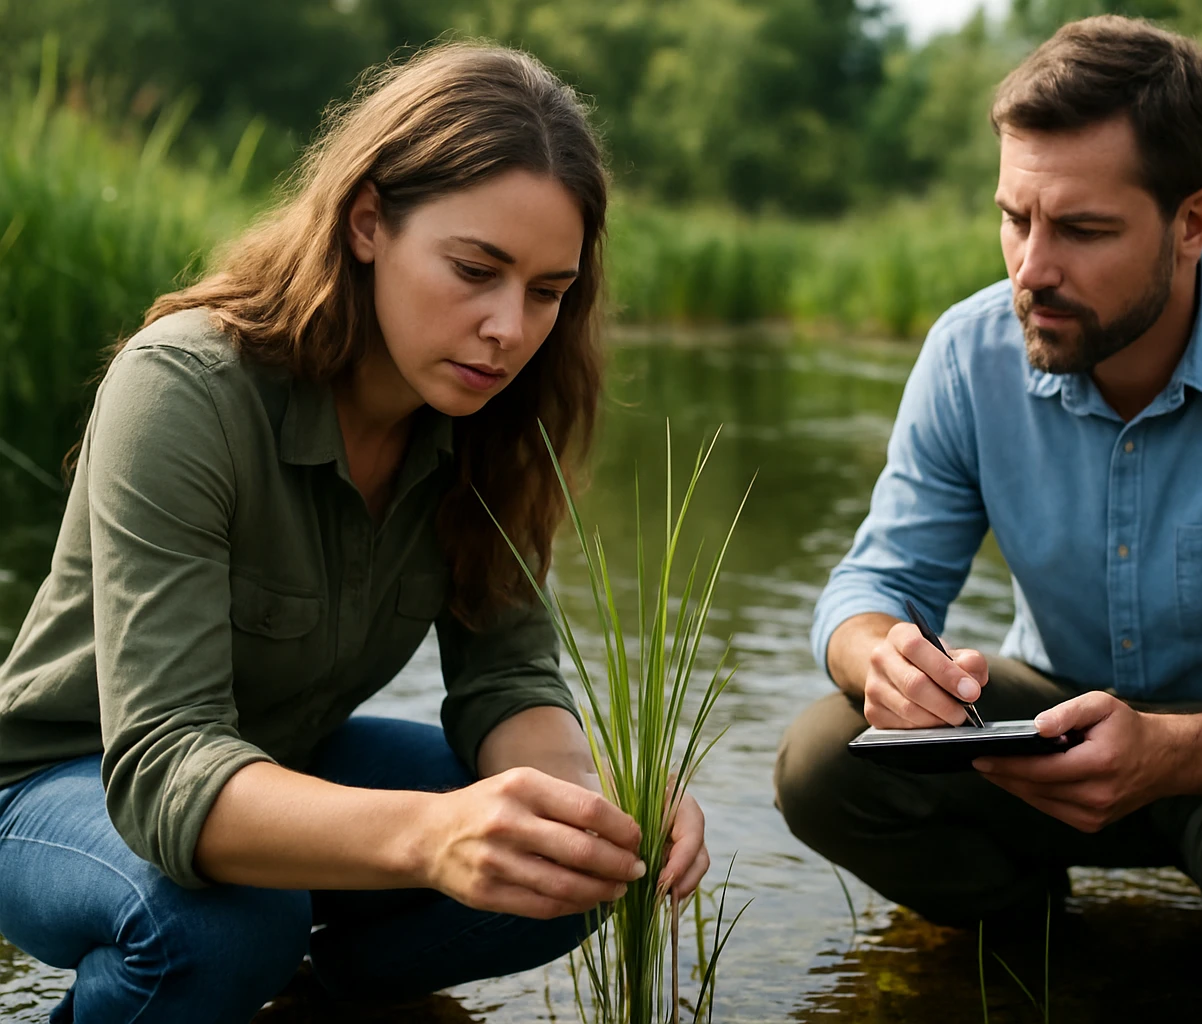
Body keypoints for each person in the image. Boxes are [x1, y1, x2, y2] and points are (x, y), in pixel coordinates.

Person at [774, 15, 1202, 1008]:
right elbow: (874, 581)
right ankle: (1051, 951)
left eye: (1082, 229)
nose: (1030, 268)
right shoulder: (969, 353)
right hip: (1053, 735)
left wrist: (1177, 751)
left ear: (1193, 221)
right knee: (824, 760)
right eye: (1015, 218)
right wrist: (875, 652)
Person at [0, 42, 708, 1023]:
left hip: (285, 762)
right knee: (224, 925)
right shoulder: (184, 391)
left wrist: (598, 796)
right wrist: (430, 836)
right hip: (65, 791)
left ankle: (308, 999)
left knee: (577, 860)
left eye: (548, 291)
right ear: (369, 221)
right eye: (475, 269)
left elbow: (507, 678)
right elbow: (163, 765)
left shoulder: (495, 425)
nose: (509, 327)